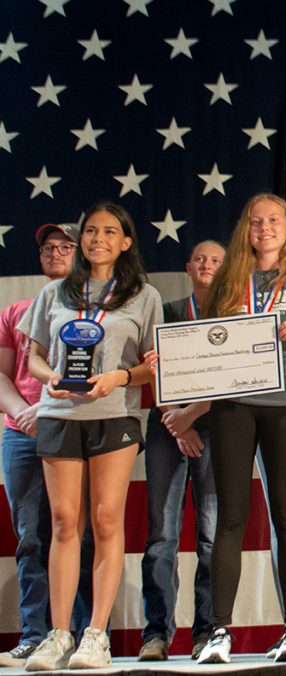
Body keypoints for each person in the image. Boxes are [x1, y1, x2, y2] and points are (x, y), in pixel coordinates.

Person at [20, 203, 161, 671]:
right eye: (90, 231)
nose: (97, 238)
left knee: (105, 522)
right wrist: (50, 377)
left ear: (125, 241)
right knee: (63, 523)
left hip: (114, 416)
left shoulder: (144, 296)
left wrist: (118, 378)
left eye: (109, 231)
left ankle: (95, 634)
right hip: (59, 414)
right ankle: (59, 634)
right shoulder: (57, 293)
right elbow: (35, 357)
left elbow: (153, 366)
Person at [193, 194, 286, 664]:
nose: (265, 228)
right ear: (245, 230)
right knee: (231, 516)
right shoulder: (229, 281)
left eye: (274, 221)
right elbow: (206, 348)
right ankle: (218, 632)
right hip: (233, 403)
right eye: (256, 222)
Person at [0, 224, 92, 668]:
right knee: (31, 537)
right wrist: (22, 412)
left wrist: (49, 410)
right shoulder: (16, 310)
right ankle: (37, 634)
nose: (56, 253)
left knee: (79, 531)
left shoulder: (96, 308)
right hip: (21, 432)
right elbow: (3, 373)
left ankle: (86, 633)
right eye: (48, 248)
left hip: (75, 426)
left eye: (66, 246)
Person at [138, 241, 225, 662]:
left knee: (210, 537)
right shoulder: (168, 312)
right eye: (200, 258)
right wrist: (178, 422)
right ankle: (156, 633)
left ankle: (206, 633)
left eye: (216, 259)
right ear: (187, 266)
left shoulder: (233, 316)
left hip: (217, 426)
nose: (207, 264)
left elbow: (234, 381)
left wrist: (191, 419)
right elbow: (154, 372)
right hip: (167, 425)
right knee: (162, 535)